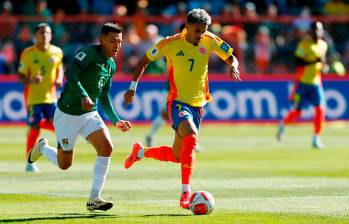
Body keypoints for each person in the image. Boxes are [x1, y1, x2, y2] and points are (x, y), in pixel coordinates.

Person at [123, 8, 240, 209]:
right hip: (177, 102)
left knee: (178, 155)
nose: (200, 35)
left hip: (198, 104)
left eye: (203, 31)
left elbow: (231, 56)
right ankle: (185, 193)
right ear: (187, 27)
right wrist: (132, 88)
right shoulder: (170, 43)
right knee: (191, 137)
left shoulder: (209, 39)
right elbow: (143, 61)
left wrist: (233, 66)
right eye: (196, 31)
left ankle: (140, 152)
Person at [27, 23, 131, 211]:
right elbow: (70, 72)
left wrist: (116, 120)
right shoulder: (90, 53)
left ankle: (94, 198)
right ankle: (42, 148)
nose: (117, 45)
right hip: (67, 114)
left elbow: (104, 95)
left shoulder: (111, 64)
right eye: (112, 41)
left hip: (89, 114)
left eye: (120, 42)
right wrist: (84, 95)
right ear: (101, 41)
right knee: (64, 164)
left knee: (106, 147)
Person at [18, 23, 63, 172]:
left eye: (48, 33)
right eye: (42, 33)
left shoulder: (57, 52)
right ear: (36, 35)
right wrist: (31, 81)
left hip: (51, 98)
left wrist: (59, 78)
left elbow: (59, 67)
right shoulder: (27, 53)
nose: (45, 35)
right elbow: (21, 75)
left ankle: (35, 125)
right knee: (35, 129)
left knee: (58, 126)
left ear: (51, 36)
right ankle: (30, 162)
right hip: (34, 98)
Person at [277, 21, 328, 149]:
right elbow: (297, 63)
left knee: (320, 110)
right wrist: (314, 61)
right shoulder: (304, 44)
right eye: (314, 30)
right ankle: (283, 124)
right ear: (310, 32)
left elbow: (322, 61)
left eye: (319, 30)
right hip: (302, 83)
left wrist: (324, 66)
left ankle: (316, 138)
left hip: (316, 83)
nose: (317, 33)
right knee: (297, 112)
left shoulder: (323, 45)